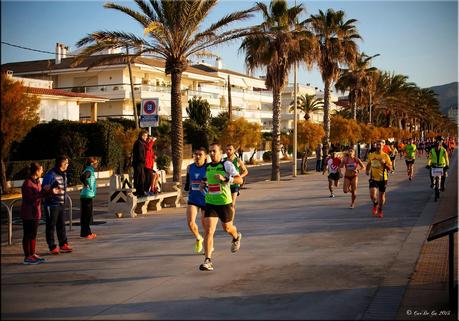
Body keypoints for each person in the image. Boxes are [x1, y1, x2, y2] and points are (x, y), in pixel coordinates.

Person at [199, 143, 243, 271]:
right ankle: (208, 260)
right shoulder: (207, 167)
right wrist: (203, 183)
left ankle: (236, 237)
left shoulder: (226, 165)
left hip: (224, 203)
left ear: (220, 152)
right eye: (210, 151)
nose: (212, 154)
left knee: (227, 228)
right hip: (210, 202)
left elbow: (239, 180)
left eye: (214, 151)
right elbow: (207, 179)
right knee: (208, 231)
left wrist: (225, 179)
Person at [21, 163, 56, 265]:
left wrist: (49, 191)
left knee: (33, 235)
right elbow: (31, 198)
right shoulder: (27, 183)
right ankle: (27, 257)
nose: (42, 171)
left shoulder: (37, 182)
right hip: (28, 213)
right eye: (41, 170)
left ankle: (32, 254)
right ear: (36, 171)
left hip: (36, 212)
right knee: (27, 235)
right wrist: (44, 192)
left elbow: (40, 195)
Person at [42, 155, 73, 254]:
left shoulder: (63, 174)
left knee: (61, 225)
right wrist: (51, 191)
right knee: (51, 226)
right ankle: (52, 246)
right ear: (62, 164)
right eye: (67, 163)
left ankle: (63, 244)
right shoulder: (50, 175)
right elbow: (44, 189)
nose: (68, 165)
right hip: (52, 204)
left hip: (61, 204)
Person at [184, 147, 208, 254]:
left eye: (200, 155)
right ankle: (199, 238)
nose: (197, 157)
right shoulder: (190, 168)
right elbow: (187, 183)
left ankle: (208, 245)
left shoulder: (208, 168)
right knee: (190, 223)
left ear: (205, 156)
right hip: (193, 198)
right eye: (196, 154)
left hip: (205, 199)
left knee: (205, 225)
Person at [366, 140, 392, 218]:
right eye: (377, 144)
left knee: (381, 197)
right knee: (372, 195)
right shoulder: (371, 155)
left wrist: (384, 163)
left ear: (383, 146)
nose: (378, 146)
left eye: (380, 145)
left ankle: (380, 209)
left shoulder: (385, 156)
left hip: (383, 179)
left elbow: (390, 168)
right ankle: (375, 204)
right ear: (375, 145)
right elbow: (369, 164)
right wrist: (367, 170)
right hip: (373, 178)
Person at [224, 144, 249, 213]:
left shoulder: (237, 160)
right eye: (227, 150)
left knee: (232, 204)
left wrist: (239, 177)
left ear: (234, 150)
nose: (228, 151)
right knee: (226, 203)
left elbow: (245, 171)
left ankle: (230, 221)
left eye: (230, 149)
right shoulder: (224, 161)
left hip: (235, 184)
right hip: (226, 184)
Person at [79, 157, 98, 239]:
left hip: (87, 195)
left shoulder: (89, 170)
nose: (97, 165)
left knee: (85, 215)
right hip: (87, 195)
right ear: (91, 164)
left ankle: (85, 233)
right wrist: (87, 184)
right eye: (96, 163)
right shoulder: (89, 171)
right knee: (87, 216)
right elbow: (83, 177)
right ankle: (87, 233)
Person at [132, 130, 148, 196]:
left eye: (146, 136)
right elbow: (139, 154)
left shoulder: (140, 143)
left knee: (141, 178)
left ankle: (140, 192)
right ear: (142, 136)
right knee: (139, 178)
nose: (146, 137)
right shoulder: (139, 143)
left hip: (139, 163)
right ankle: (139, 192)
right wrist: (144, 160)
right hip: (138, 163)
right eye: (145, 136)